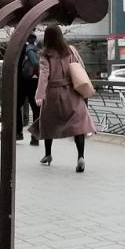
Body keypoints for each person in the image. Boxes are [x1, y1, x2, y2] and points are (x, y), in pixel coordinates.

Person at [32, 25, 96, 172]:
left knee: (48, 123)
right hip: (72, 92)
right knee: (79, 125)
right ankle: (81, 156)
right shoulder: (70, 50)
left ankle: (48, 154)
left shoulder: (45, 55)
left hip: (53, 94)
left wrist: (40, 95)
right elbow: (80, 67)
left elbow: (43, 76)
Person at [17, 34, 40, 144]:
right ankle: (35, 137)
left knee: (16, 106)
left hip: (22, 81)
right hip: (34, 81)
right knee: (36, 109)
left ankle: (18, 132)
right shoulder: (36, 49)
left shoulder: (20, 48)